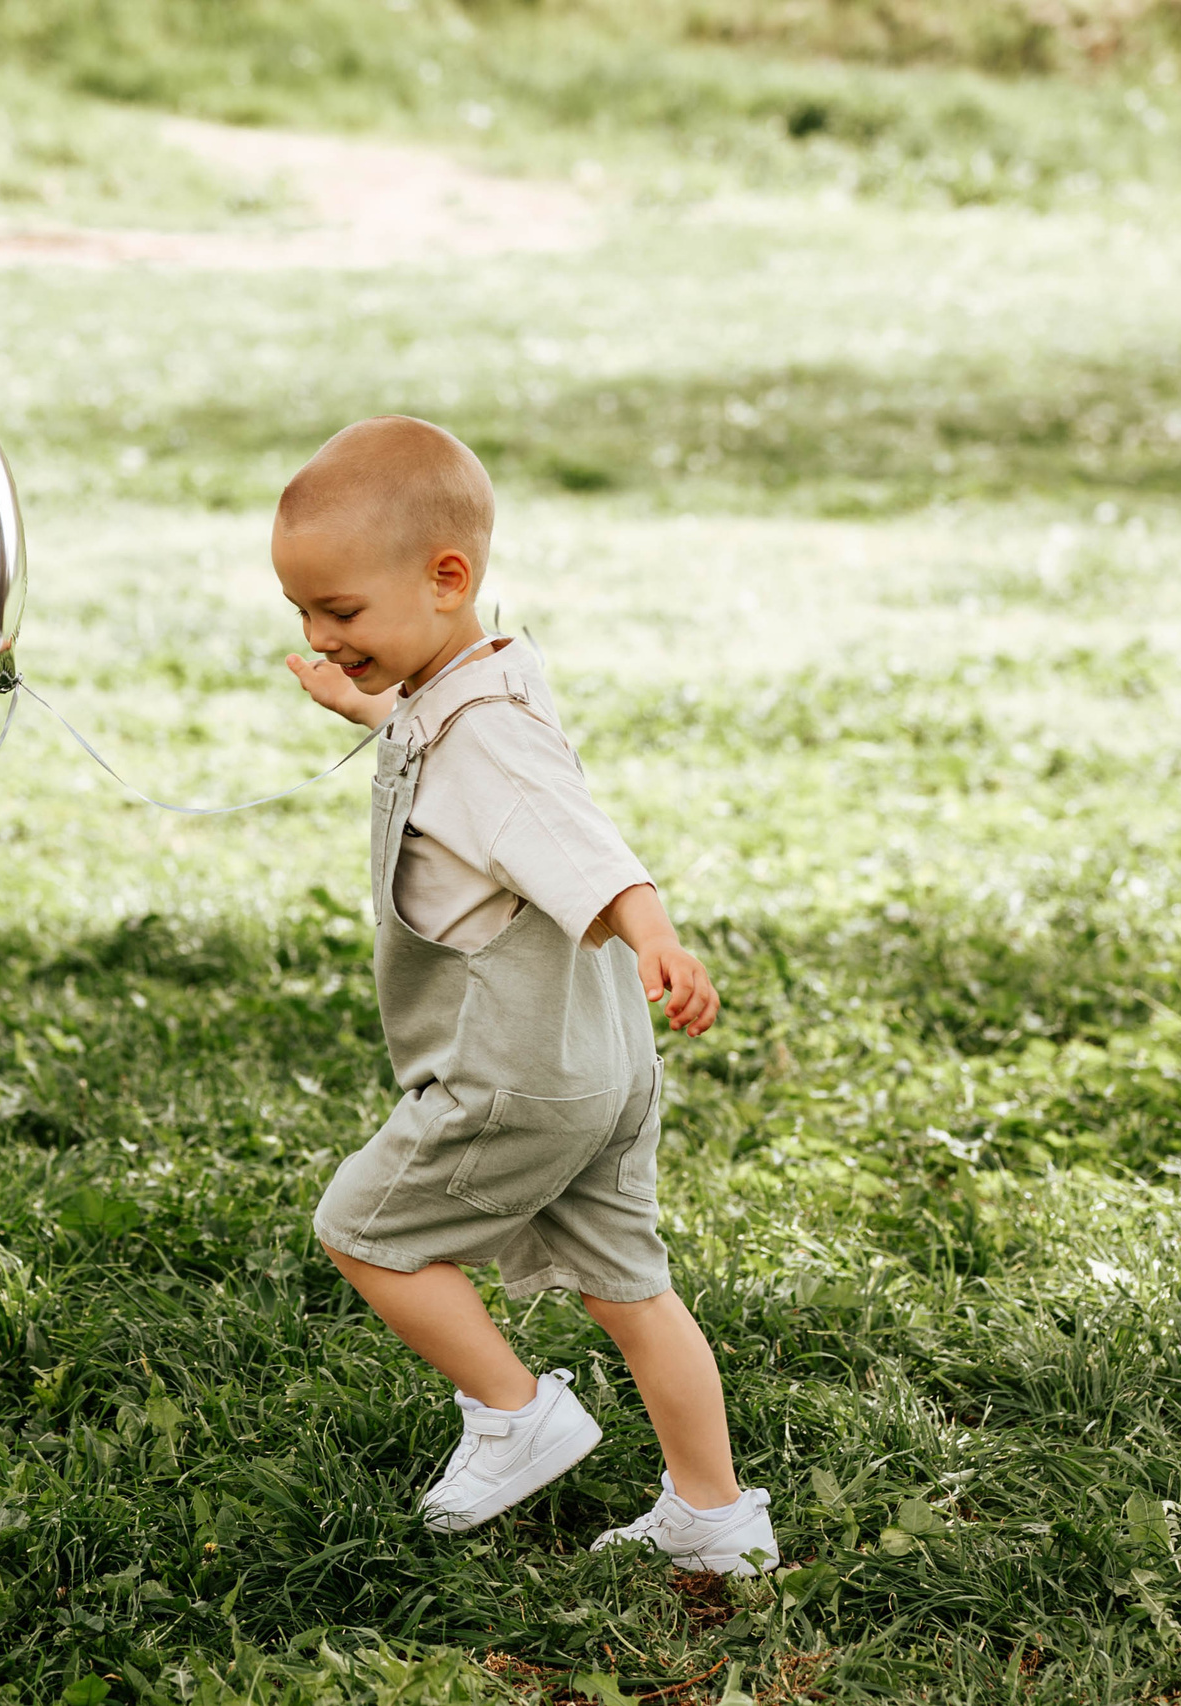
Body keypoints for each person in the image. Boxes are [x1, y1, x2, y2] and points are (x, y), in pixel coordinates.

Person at [275, 416, 777, 1575]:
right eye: (302, 610)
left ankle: (514, 1410)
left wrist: (651, 927)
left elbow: (573, 838)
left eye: (340, 612)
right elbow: (439, 740)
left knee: (363, 1229)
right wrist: (361, 704)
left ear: (446, 578)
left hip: (520, 1074)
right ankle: (714, 1517)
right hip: (600, 1065)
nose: (318, 633)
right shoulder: (478, 676)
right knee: (630, 1288)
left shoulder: (486, 740)